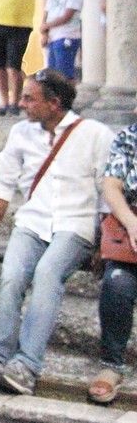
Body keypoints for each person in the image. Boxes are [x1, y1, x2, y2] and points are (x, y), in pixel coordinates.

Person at [0, 69, 114, 396]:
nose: (22, 104)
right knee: (11, 277)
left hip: (75, 224)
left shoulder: (95, 134)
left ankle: (26, 366)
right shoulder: (21, 133)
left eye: (29, 98)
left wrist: (103, 244)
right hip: (32, 222)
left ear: (54, 103)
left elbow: (106, 192)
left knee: (47, 274)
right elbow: (3, 185)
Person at [89, 122, 137, 404]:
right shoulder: (130, 136)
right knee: (117, 284)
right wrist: (131, 223)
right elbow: (111, 185)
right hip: (130, 229)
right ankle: (112, 365)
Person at [39, 0, 83, 83]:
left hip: (67, 35)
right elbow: (46, 14)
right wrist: (44, 33)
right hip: (53, 36)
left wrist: (46, 26)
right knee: (52, 73)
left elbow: (66, 17)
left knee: (64, 73)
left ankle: (68, 94)